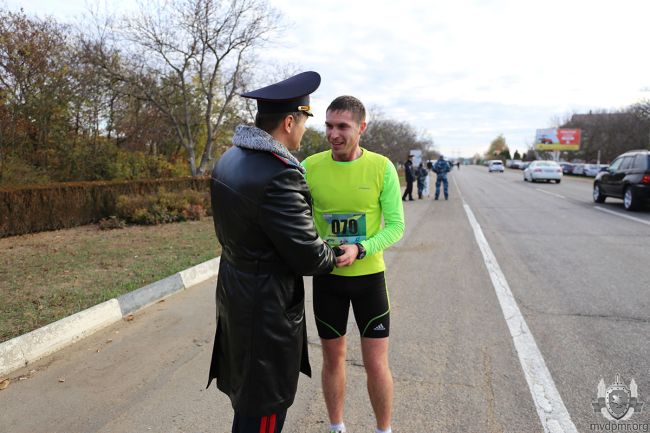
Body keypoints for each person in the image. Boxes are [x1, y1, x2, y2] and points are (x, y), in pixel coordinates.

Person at [207, 71, 338, 433]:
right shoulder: (280, 174)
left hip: (237, 293)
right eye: (305, 121)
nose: (305, 130)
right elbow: (309, 255)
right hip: (264, 309)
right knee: (263, 413)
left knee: (248, 407)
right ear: (289, 121)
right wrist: (334, 254)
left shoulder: (230, 158)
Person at [301, 96, 405, 433]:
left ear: (361, 128)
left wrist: (360, 248)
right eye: (329, 125)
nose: (333, 134)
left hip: (369, 280)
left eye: (342, 126)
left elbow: (396, 226)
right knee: (333, 360)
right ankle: (336, 427)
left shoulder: (381, 167)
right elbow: (300, 220)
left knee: (376, 364)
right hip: (328, 280)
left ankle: (384, 430)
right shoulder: (310, 167)